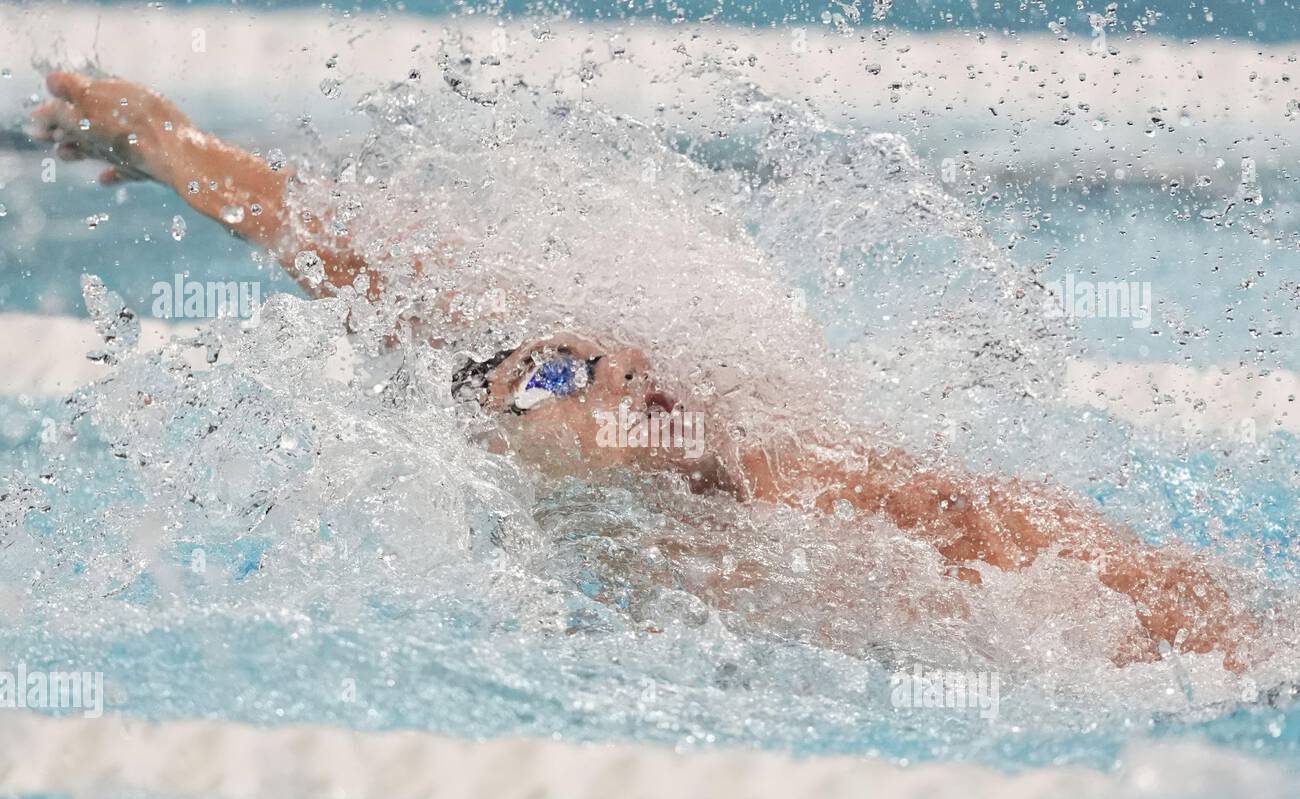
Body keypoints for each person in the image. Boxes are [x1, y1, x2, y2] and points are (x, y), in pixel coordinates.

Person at [29, 71, 1258, 671]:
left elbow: (1004, 530)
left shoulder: (779, 484)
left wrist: (164, 138)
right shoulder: (522, 483)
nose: (604, 373)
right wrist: (162, 150)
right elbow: (357, 272)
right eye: (558, 381)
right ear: (491, 439)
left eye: (603, 358)